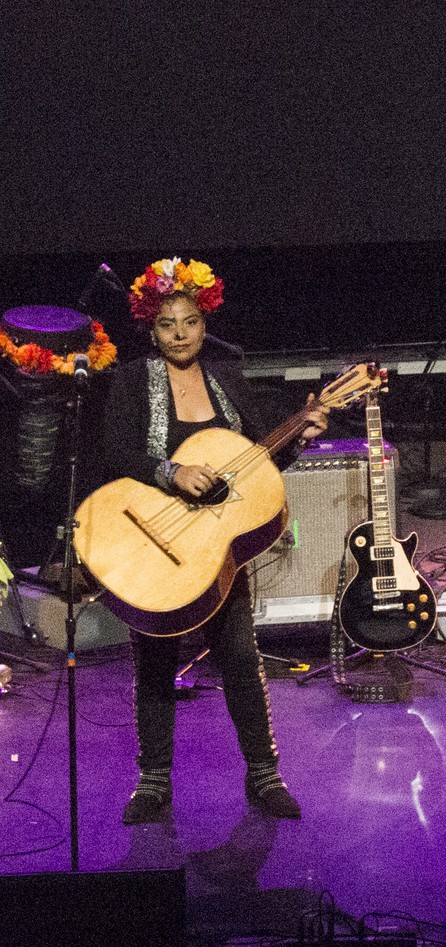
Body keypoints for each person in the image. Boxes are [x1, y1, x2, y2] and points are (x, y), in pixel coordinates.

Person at [100, 258, 327, 823]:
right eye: (167, 324)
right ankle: (152, 783)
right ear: (150, 328)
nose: (180, 334)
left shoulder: (227, 377)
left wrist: (300, 435)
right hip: (152, 536)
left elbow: (253, 464)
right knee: (152, 659)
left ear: (206, 322)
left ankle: (265, 776)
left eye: (191, 321)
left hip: (216, 549)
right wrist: (168, 472)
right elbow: (116, 454)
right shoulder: (133, 381)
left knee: (240, 657)